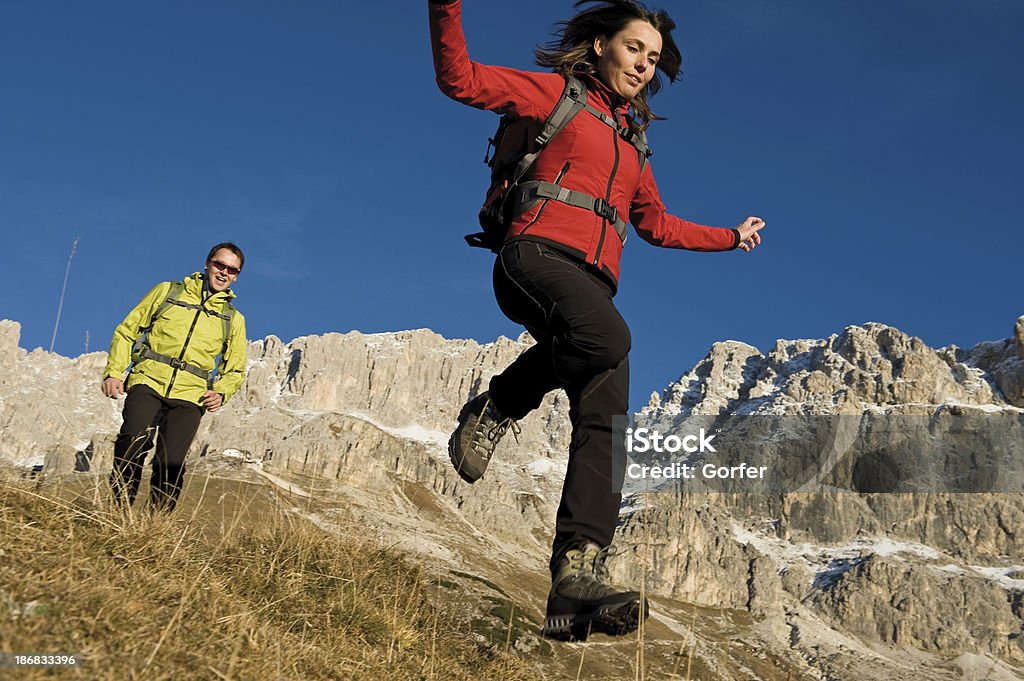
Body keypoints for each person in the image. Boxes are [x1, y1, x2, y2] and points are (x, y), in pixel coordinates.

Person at [430, 0, 764, 639]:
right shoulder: (554, 94)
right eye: (637, 48)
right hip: (532, 258)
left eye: (655, 59)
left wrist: (729, 236)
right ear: (602, 45)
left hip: (592, 285)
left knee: (608, 419)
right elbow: (461, 79)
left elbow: (656, 225)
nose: (645, 64)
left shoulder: (635, 145)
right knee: (611, 337)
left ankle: (574, 579)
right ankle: (498, 404)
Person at [101, 243, 248, 512]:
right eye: (219, 265)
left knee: (170, 464)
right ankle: (116, 515)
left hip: (191, 397)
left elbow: (235, 367)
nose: (224, 272)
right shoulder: (167, 291)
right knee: (132, 443)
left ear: (236, 276)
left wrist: (221, 391)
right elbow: (127, 330)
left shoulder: (233, 319)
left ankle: (154, 531)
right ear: (207, 264)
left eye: (231, 269)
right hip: (148, 381)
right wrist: (114, 372)